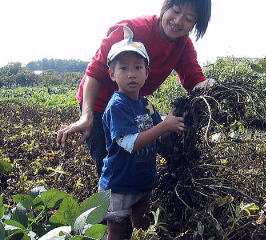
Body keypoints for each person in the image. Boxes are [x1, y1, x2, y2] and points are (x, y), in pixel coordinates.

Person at [56, 0, 214, 177]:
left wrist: (209, 87)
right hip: (99, 105)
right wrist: (87, 115)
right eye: (176, 11)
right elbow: (94, 72)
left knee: (141, 159)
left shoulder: (183, 45)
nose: (178, 21)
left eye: (188, 19)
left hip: (133, 104)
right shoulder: (132, 30)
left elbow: (194, 79)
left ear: (195, 24)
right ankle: (113, 203)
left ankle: (147, 195)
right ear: (165, 7)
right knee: (111, 167)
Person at [99, 30, 185, 240]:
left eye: (138, 67)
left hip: (143, 182)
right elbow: (130, 143)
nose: (131, 74)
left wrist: (178, 123)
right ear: (112, 74)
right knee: (118, 232)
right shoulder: (117, 106)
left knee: (142, 228)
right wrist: (165, 126)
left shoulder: (145, 103)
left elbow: (161, 131)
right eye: (124, 68)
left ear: (147, 73)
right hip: (118, 186)